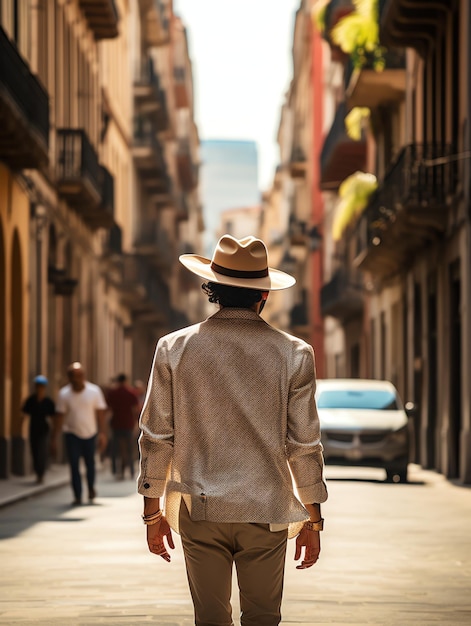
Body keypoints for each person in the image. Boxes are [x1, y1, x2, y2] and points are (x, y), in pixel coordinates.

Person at [138, 234, 328, 626]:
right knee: (262, 618)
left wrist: (151, 514)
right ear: (264, 296)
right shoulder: (294, 353)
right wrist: (314, 520)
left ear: (213, 290)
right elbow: (304, 445)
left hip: (199, 505)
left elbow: (157, 435)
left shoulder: (174, 347)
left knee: (210, 618)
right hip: (267, 509)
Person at [51, 362, 108, 505]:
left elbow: (100, 414)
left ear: (83, 376)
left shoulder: (94, 391)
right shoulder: (64, 394)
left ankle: (90, 488)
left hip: (90, 433)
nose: (75, 379)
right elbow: (59, 417)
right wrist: (54, 438)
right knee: (74, 465)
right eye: (72, 376)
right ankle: (77, 495)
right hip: (71, 434)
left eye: (78, 375)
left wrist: (102, 434)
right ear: (69, 377)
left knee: (90, 464)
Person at [21, 375, 55, 484]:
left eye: (41, 386)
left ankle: (41, 473)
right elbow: (24, 414)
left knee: (42, 452)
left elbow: (53, 417)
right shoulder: (31, 400)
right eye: (38, 386)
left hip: (44, 430)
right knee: (35, 451)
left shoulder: (48, 402)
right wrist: (20, 428)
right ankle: (37, 473)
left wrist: (54, 433)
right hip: (33, 429)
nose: (39, 388)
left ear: (44, 388)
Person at [106, 373, 139, 479]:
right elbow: (136, 410)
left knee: (115, 449)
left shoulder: (112, 393)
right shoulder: (131, 393)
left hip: (116, 424)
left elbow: (108, 409)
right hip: (128, 424)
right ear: (126, 381)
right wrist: (136, 422)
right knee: (129, 448)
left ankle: (116, 471)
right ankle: (132, 472)